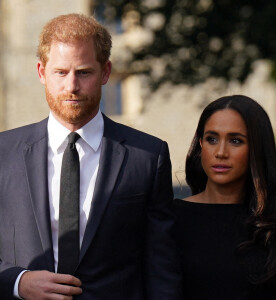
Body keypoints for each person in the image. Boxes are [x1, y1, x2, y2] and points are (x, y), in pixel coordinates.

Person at [0, 13, 181, 300]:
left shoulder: (147, 157)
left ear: (106, 72)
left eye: (84, 72)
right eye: (60, 72)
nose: (71, 86)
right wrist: (17, 282)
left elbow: (161, 268)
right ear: (41, 72)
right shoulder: (3, 153)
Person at [173, 95, 276, 299]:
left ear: (257, 149)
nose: (221, 152)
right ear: (201, 144)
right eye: (212, 139)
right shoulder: (169, 220)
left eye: (235, 141)